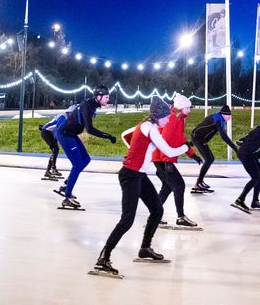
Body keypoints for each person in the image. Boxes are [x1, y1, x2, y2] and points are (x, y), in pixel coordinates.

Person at [93, 97, 190, 277]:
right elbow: (168, 151)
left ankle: (145, 248)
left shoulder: (146, 125)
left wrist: (135, 151)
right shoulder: (151, 129)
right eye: (166, 117)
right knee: (127, 220)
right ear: (158, 116)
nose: (169, 119)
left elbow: (126, 135)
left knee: (157, 210)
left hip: (139, 175)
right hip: (130, 176)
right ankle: (103, 258)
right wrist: (185, 147)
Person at [54, 85, 116, 209]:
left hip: (71, 134)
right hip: (65, 134)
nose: (108, 100)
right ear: (98, 97)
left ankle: (66, 186)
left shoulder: (92, 105)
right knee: (77, 165)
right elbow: (90, 129)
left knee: (86, 160)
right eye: (106, 97)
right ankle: (67, 198)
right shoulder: (88, 106)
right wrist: (108, 136)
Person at [152, 94, 203, 228]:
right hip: (162, 158)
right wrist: (167, 162)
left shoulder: (179, 119)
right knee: (179, 185)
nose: (190, 110)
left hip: (161, 158)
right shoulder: (173, 119)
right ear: (181, 108)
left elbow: (181, 139)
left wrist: (192, 155)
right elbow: (164, 141)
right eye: (188, 108)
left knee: (168, 187)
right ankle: (180, 217)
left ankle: (154, 216)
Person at [190, 105, 240, 193]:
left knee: (210, 159)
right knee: (209, 159)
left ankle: (200, 181)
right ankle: (198, 182)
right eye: (229, 115)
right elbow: (224, 137)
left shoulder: (217, 117)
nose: (230, 117)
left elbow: (203, 126)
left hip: (199, 137)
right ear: (225, 114)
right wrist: (235, 148)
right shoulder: (219, 119)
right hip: (198, 138)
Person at [38, 104, 76, 179]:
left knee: (55, 150)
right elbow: (58, 129)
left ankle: (48, 171)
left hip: (50, 132)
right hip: (47, 132)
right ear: (70, 113)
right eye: (74, 114)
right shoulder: (63, 117)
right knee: (55, 149)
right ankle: (53, 169)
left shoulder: (66, 117)